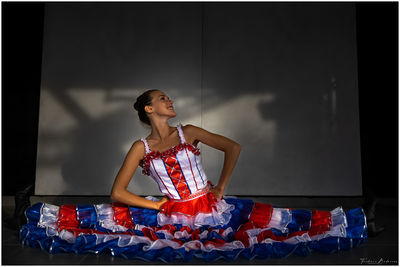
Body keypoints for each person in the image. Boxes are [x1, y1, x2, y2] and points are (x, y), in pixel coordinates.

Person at [20, 89, 368, 262]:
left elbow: (233, 147)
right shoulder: (140, 147)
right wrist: (155, 208)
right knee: (96, 224)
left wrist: (221, 187)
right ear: (148, 108)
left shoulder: (189, 131)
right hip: (172, 211)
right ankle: (24, 213)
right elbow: (118, 193)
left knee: (278, 222)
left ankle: (357, 222)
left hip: (210, 205)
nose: (170, 101)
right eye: (162, 99)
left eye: (169, 98)